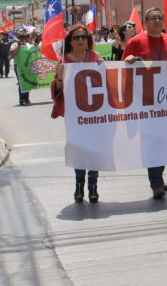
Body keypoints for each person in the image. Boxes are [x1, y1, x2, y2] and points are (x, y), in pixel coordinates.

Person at [123, 7, 167, 199]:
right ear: (145, 21)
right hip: (146, 102)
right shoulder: (135, 42)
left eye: (160, 18)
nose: (157, 21)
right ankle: (155, 181)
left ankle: (159, 176)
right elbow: (121, 70)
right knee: (152, 141)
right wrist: (127, 61)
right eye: (153, 18)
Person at [51, 25, 104, 203]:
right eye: (76, 37)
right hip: (74, 114)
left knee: (95, 148)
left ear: (88, 40)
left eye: (83, 37)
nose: (80, 40)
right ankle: (79, 186)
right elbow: (57, 92)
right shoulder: (64, 61)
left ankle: (93, 186)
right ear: (70, 41)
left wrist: (104, 68)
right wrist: (59, 77)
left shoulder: (96, 58)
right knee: (79, 149)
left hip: (95, 112)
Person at [13, 33, 33, 105]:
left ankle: (26, 97)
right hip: (19, 66)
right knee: (21, 82)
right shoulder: (15, 45)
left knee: (27, 82)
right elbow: (12, 53)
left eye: (24, 39)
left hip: (28, 67)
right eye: (21, 39)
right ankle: (21, 99)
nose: (23, 40)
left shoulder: (28, 45)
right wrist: (19, 46)